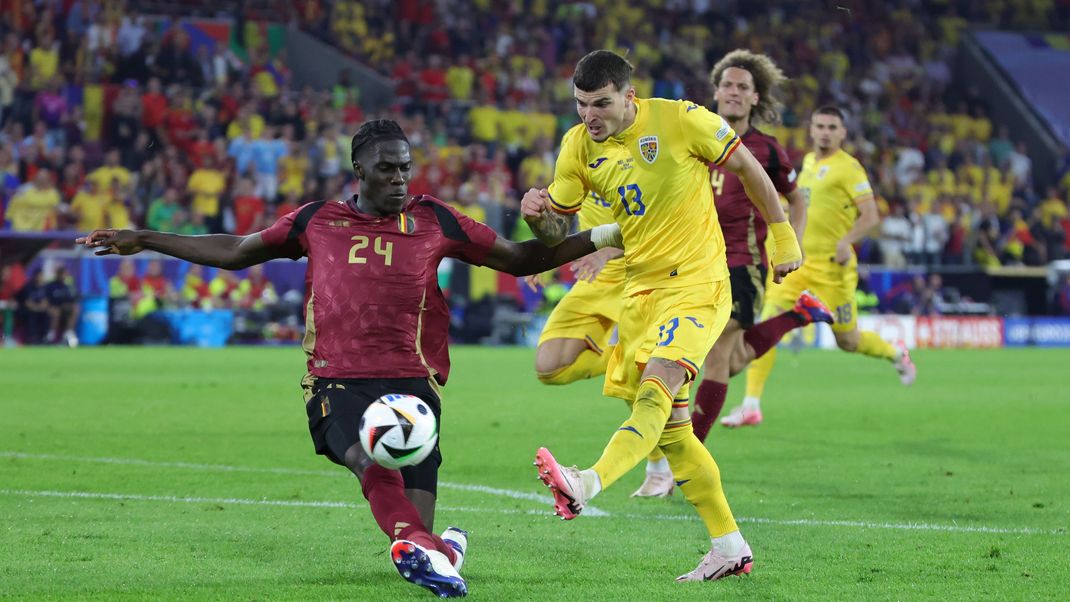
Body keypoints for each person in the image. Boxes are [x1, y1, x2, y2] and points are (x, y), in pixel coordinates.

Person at [78, 119, 623, 598]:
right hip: (336, 378)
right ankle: (421, 545)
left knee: (418, 534)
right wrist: (146, 238)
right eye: (386, 169)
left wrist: (603, 234)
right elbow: (238, 251)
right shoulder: (317, 220)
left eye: (405, 168)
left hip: (412, 382)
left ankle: (438, 551)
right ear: (358, 169)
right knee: (369, 463)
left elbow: (522, 259)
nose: (399, 179)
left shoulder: (435, 220)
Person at [522, 50, 802, 582]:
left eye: (600, 103)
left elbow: (747, 167)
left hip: (698, 285)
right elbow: (557, 234)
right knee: (673, 434)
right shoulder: (577, 146)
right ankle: (730, 547)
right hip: (638, 293)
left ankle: (586, 483)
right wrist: (538, 221)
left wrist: (783, 234)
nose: (589, 116)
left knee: (658, 386)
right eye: (581, 105)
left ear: (629, 96)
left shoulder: (681, 119)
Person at [733, 106, 916, 427]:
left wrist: (847, 242)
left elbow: (871, 215)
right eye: (820, 125)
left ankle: (895, 352)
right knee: (768, 322)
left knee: (848, 341)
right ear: (811, 129)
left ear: (842, 133)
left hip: (833, 270)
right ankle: (751, 404)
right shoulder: (804, 165)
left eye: (832, 126)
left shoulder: (850, 169)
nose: (825, 132)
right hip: (799, 265)